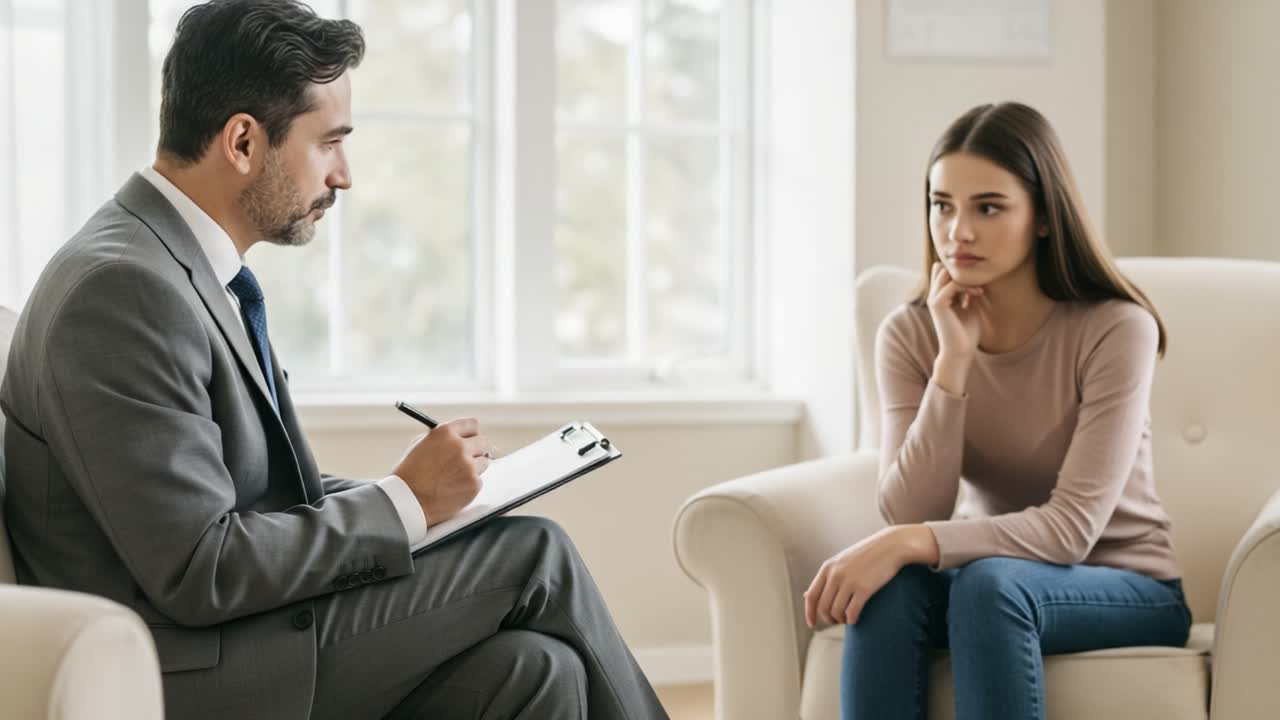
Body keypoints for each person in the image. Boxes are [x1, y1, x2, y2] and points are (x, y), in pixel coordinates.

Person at [0, 1, 667, 718]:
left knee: (539, 669)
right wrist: (405, 502)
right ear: (244, 142)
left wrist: (428, 499)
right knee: (537, 553)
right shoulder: (124, 290)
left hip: (230, 636)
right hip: (185, 669)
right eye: (329, 143)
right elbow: (203, 568)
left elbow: (256, 501)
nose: (344, 176)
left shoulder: (166, 264)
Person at [802, 102, 1192, 719]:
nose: (958, 231)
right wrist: (953, 363)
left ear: (1042, 216)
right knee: (890, 587)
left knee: (988, 583)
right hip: (991, 580)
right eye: (942, 204)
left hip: (1127, 586)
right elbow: (912, 508)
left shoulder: (1116, 328)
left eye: (988, 207)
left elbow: (1070, 531)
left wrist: (910, 541)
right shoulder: (910, 334)